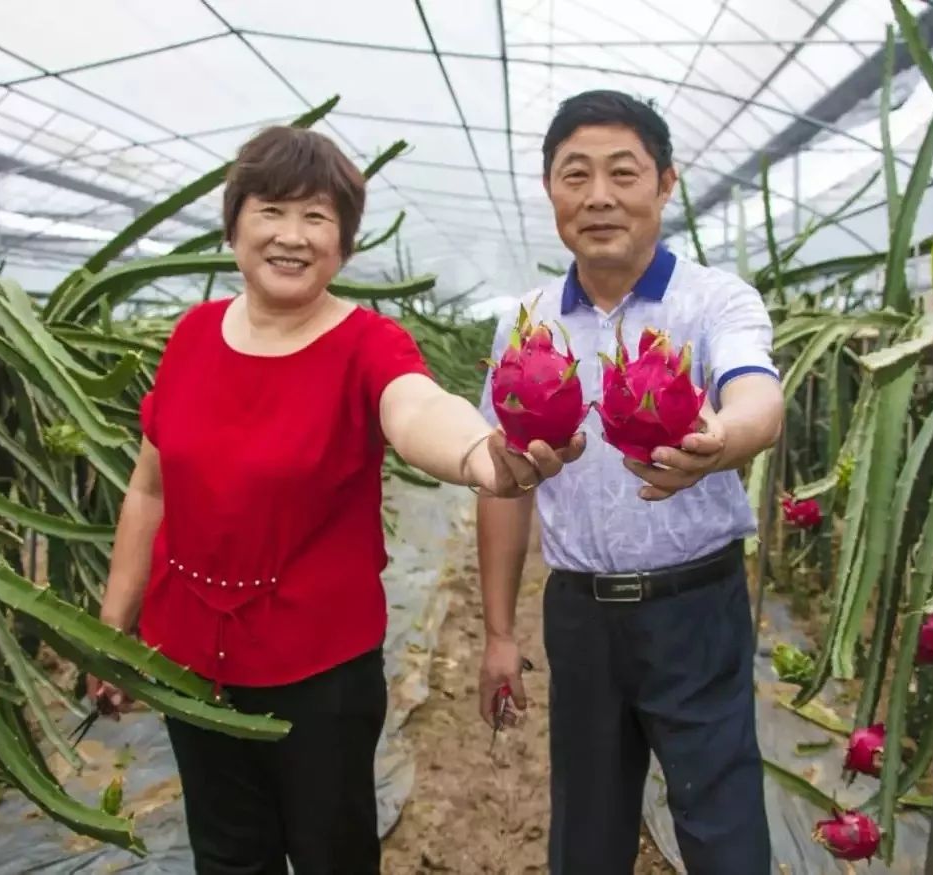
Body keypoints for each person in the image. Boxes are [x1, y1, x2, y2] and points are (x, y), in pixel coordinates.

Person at [86, 125, 585, 875]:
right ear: (234, 225)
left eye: (317, 217)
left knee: (331, 855)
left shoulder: (367, 344)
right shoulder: (190, 337)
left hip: (317, 675)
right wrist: (113, 630)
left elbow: (417, 408)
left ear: (344, 243)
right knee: (225, 855)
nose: (292, 236)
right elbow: (149, 489)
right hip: (191, 665)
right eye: (271, 211)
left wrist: (483, 455)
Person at [476, 90, 783, 874]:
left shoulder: (715, 300)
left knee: (723, 828)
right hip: (579, 614)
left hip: (696, 609)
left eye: (624, 171)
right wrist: (500, 632)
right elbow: (503, 479)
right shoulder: (528, 323)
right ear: (550, 191)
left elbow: (757, 393)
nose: (600, 195)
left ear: (666, 183)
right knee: (586, 830)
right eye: (575, 174)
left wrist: (721, 440)